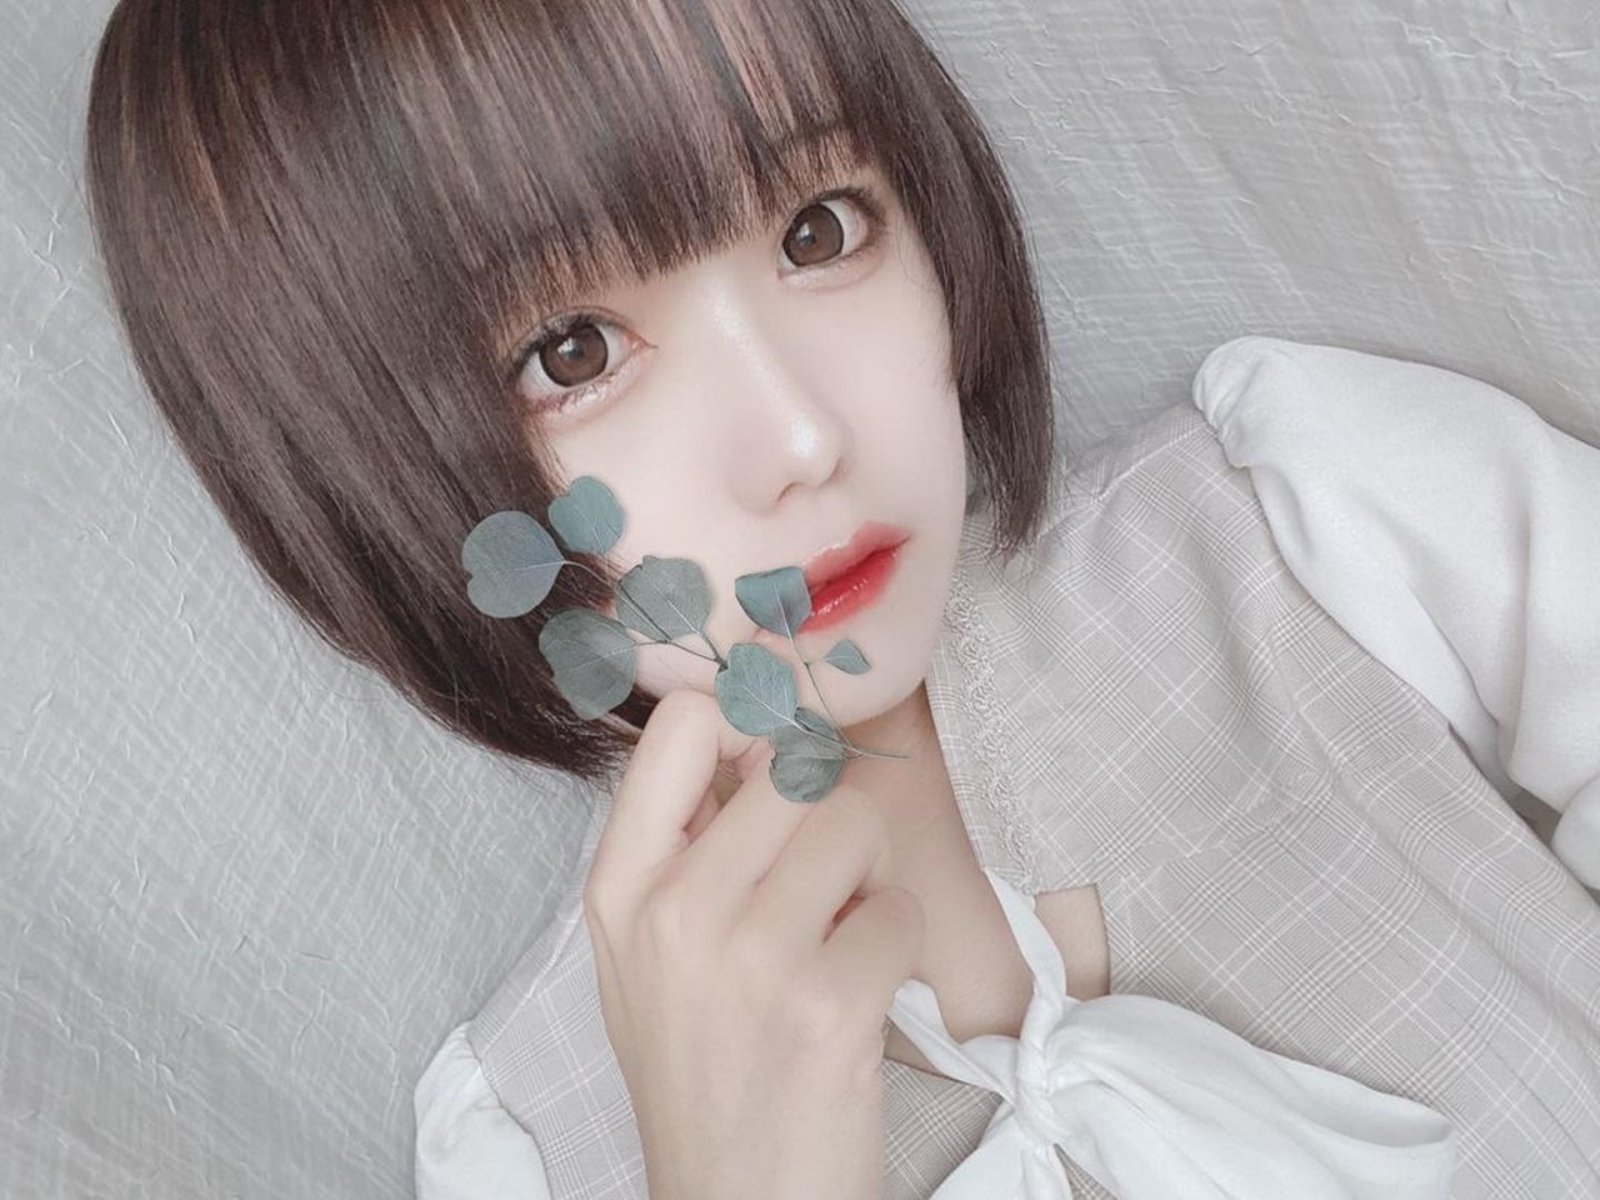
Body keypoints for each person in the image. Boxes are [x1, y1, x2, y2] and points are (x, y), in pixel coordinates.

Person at [81, 0, 1600, 1196]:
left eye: (820, 228)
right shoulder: (532, 1145)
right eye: (572, 354)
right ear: (358, 479)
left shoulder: (1303, 527)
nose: (803, 438)